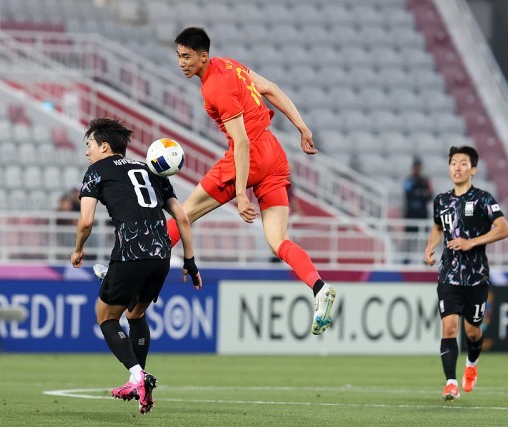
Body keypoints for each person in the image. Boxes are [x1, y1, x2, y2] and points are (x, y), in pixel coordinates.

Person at [168, 27, 335, 335]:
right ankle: (319, 287)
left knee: (183, 214)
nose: (181, 62)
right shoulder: (229, 64)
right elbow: (270, 88)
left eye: (187, 56)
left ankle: (126, 269)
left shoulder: (214, 88)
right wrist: (302, 127)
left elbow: (242, 142)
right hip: (274, 152)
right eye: (178, 56)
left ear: (203, 57)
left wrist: (241, 193)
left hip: (250, 156)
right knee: (278, 241)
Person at [70, 117, 202, 414]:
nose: (87, 151)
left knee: (106, 317)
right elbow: (182, 218)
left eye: (89, 144)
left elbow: (86, 221)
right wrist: (190, 261)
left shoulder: (95, 171)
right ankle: (139, 379)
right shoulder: (151, 169)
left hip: (130, 252)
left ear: (105, 146)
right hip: (162, 255)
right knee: (136, 313)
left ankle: (136, 375)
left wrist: (78, 249)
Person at [423, 145, 508, 401]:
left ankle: (471, 365)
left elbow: (503, 228)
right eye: (453, 163)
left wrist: (471, 242)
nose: (457, 168)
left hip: (476, 276)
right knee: (449, 327)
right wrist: (430, 247)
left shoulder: (483, 199)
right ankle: (450, 383)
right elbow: (438, 227)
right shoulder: (441, 200)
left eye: (463, 164)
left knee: (473, 332)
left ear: (473, 170)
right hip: (448, 274)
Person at [403, 157, 433, 262]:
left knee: (424, 238)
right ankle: (407, 259)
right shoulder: (409, 180)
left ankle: (426, 259)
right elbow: (408, 194)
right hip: (410, 214)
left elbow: (430, 195)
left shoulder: (425, 181)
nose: (417, 169)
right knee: (409, 238)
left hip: (422, 214)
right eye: (415, 167)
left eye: (418, 167)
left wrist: (418, 194)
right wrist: (421, 194)